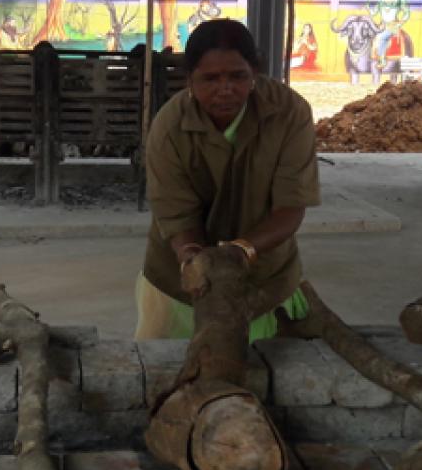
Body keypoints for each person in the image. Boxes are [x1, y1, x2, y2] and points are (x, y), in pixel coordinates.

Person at [135, 19, 322, 341]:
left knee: (275, 374)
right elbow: (177, 215)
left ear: (255, 73)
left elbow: (291, 207)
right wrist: (193, 260)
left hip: (267, 278)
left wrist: (240, 251)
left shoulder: (291, 114)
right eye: (210, 78)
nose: (225, 89)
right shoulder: (168, 127)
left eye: (238, 76)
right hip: (179, 286)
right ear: (189, 80)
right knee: (170, 377)